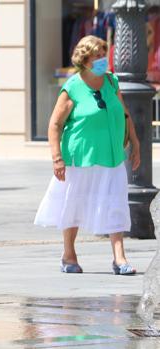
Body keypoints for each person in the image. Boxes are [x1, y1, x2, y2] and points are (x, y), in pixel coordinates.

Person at [35, 35, 141, 275]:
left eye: (105, 54)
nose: (103, 59)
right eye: (98, 56)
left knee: (116, 203)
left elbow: (124, 113)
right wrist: (57, 158)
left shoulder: (111, 82)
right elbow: (54, 124)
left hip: (112, 155)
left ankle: (119, 258)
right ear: (85, 59)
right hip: (79, 157)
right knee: (74, 203)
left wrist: (134, 142)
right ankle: (68, 254)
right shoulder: (72, 87)